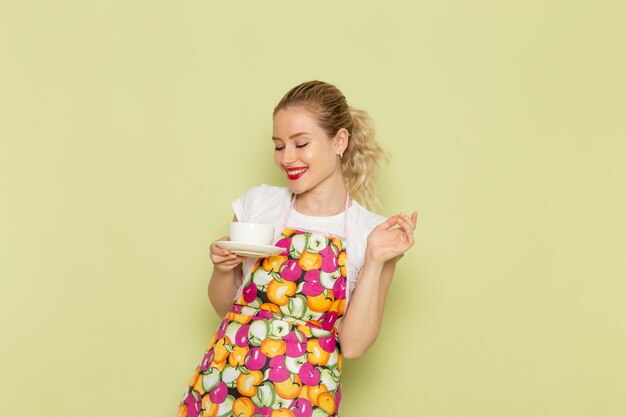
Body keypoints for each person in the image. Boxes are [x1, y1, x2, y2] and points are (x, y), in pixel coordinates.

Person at [177, 80, 418, 417]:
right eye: (278, 146)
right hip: (225, 384)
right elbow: (228, 309)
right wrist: (222, 269)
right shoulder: (258, 205)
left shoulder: (372, 233)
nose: (287, 158)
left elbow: (353, 346)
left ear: (339, 141)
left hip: (304, 400)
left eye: (301, 144)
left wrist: (376, 260)